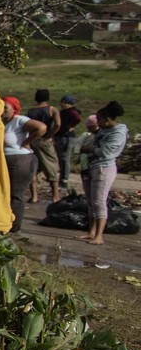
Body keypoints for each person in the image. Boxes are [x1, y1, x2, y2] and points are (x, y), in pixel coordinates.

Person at [85, 101, 129, 246]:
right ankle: (91, 232)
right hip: (93, 166)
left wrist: (91, 149)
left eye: (100, 120)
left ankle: (99, 236)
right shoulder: (104, 130)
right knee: (91, 202)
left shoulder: (118, 133)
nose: (98, 123)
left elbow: (105, 152)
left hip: (104, 168)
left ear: (108, 119)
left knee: (99, 202)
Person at [1, 96, 47, 233]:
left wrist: (27, 142)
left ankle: (14, 227)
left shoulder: (19, 120)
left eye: (5, 107)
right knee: (5, 194)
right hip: (7, 161)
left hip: (20, 161)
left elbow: (41, 127)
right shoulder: (2, 123)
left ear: (14, 109)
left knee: (16, 194)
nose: (2, 110)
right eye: (0, 107)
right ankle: (4, 222)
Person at [26, 89, 61, 203]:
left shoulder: (31, 111)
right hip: (45, 140)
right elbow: (58, 124)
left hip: (32, 140)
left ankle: (34, 196)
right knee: (51, 167)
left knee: (33, 168)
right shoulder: (52, 109)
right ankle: (55, 197)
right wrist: (49, 135)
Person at [55, 94, 82, 193]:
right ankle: (62, 179)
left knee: (65, 158)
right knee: (62, 159)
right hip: (63, 136)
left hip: (66, 137)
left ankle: (64, 181)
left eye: (64, 102)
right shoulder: (65, 112)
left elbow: (77, 118)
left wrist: (70, 126)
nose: (62, 104)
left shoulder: (71, 112)